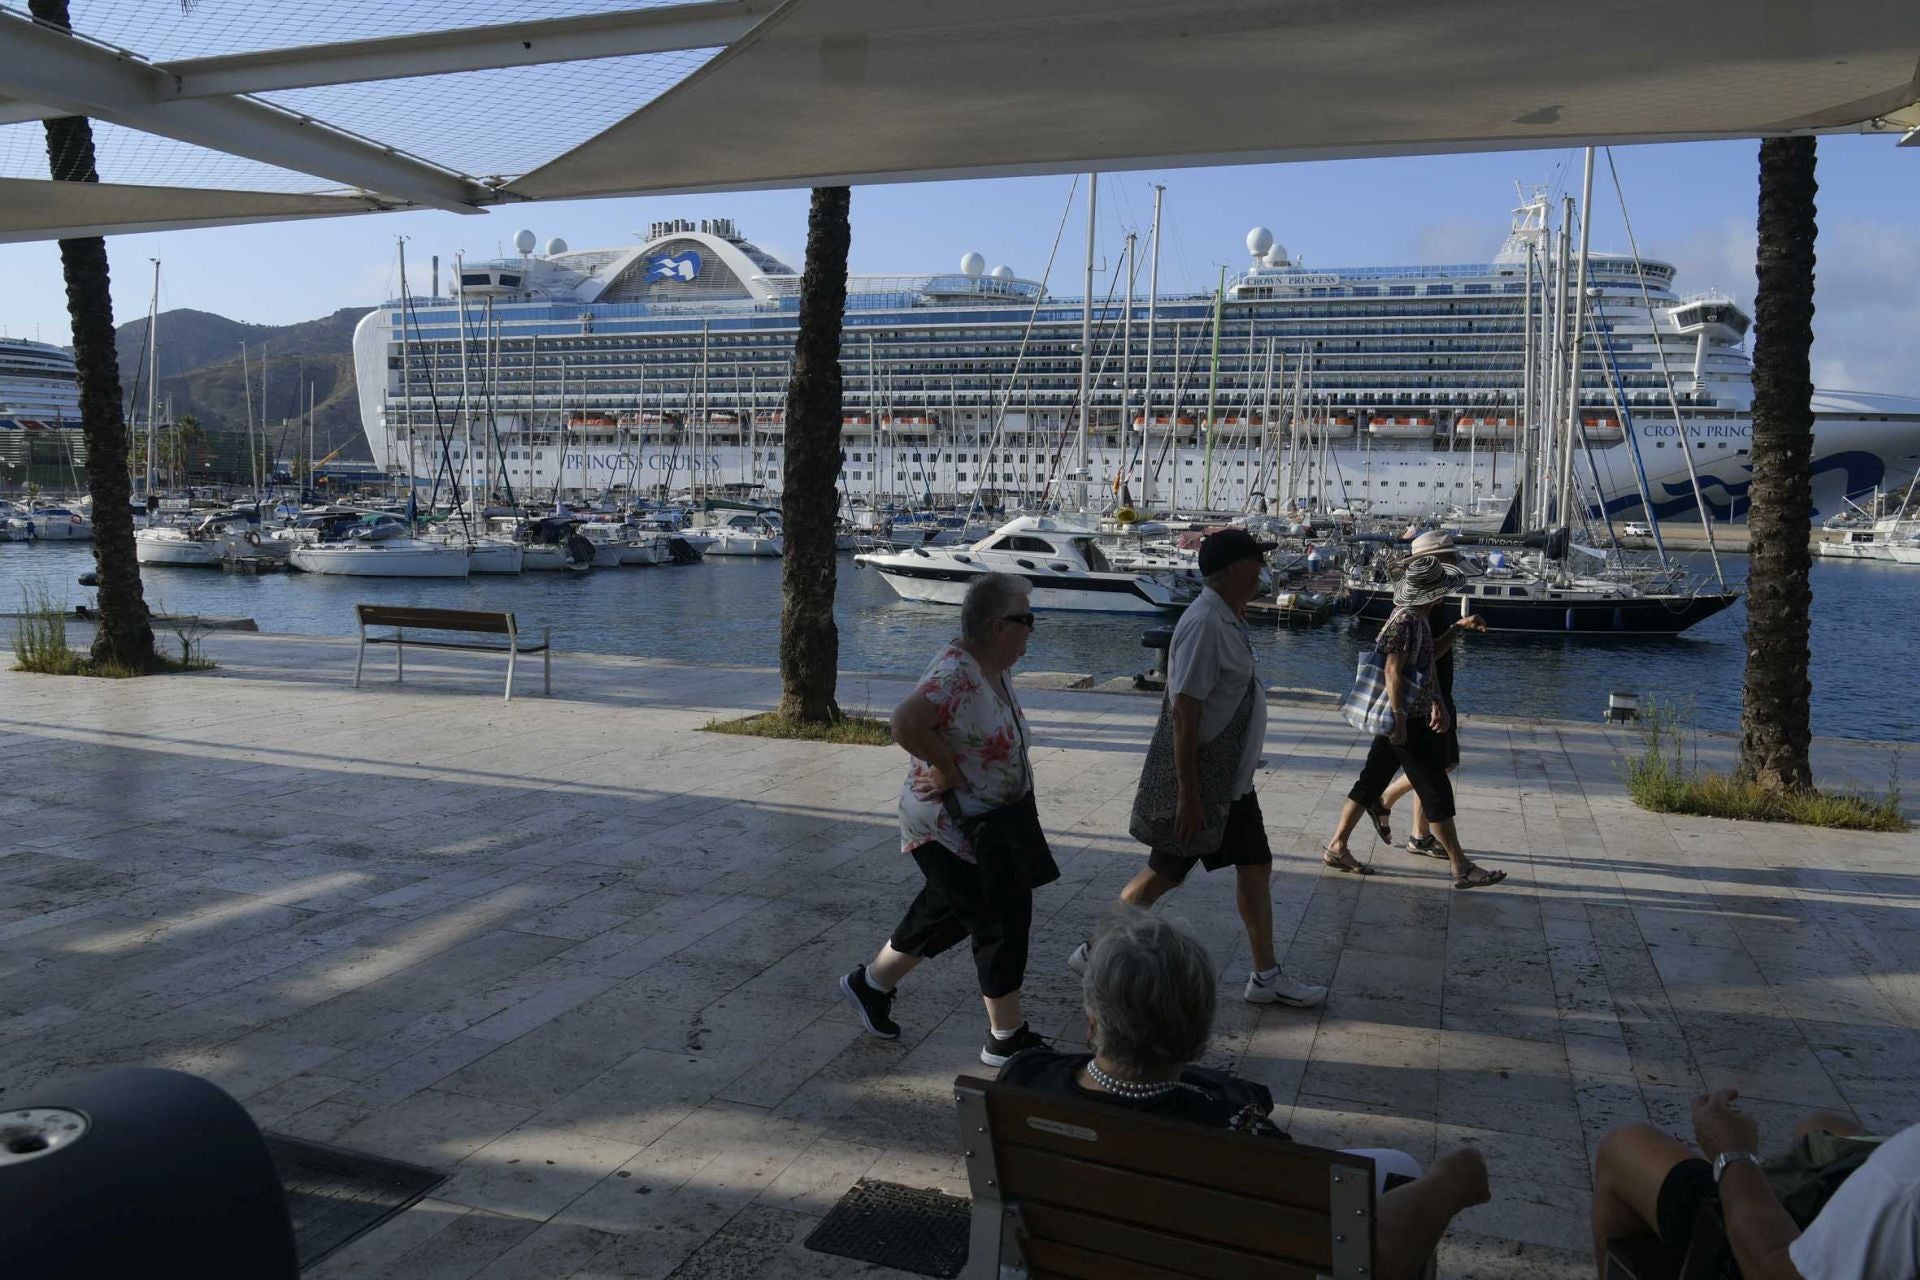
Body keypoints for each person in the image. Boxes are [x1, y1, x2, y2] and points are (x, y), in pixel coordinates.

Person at [1009, 908, 1490, 1280]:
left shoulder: (1022, 1082)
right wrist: (1452, 1181)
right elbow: (1372, 1260)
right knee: (1403, 1171)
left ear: (1093, 1023)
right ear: (1200, 1033)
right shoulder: (1239, 1133)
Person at [1070, 527, 1326, 1009]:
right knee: (1165, 872)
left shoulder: (1225, 616)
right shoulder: (1205, 621)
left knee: (1254, 866)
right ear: (1234, 570)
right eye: (1256, 561)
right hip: (1206, 781)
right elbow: (1183, 710)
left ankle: (1265, 975)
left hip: (1229, 780)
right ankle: (1095, 949)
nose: (1263, 569)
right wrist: (1188, 794)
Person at [840, 572, 1051, 1068]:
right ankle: (1005, 1038)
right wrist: (946, 767)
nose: (1032, 630)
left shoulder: (993, 666)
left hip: (991, 820)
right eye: (1027, 619)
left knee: (949, 911)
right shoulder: (957, 670)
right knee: (999, 918)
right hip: (949, 825)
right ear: (1000, 626)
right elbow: (905, 722)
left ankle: (870, 984)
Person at [1592, 1089, 1920, 1278]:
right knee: (1822, 1126)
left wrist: (1734, 1154)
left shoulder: (1905, 1183)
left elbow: (1772, 1271)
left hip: (1771, 1256)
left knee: (1625, 1146)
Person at [1325, 554, 1505, 888]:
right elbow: (1393, 670)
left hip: (1409, 715)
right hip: (1407, 718)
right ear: (1434, 593)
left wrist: (1457, 629)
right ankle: (1461, 866)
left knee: (1371, 782)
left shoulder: (1419, 618)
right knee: (1435, 788)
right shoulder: (1406, 621)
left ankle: (1337, 847)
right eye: (1442, 590)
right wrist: (1400, 720)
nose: (1445, 596)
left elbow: (1428, 656)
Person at [1377, 531, 1486, 861]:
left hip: (1432, 694)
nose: (1453, 562)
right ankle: (1386, 803)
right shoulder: (1420, 607)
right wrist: (1437, 699)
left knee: (1433, 767)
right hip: (1427, 697)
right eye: (1448, 557)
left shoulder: (1434, 598)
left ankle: (1419, 834)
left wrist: (1458, 627)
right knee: (1437, 768)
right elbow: (1421, 657)